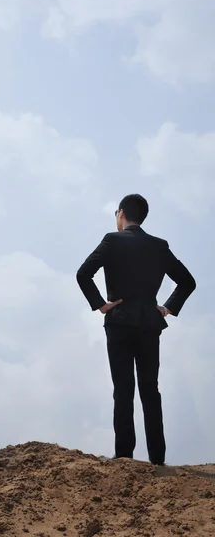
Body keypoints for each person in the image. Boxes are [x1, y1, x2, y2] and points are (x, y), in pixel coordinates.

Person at [76, 194, 196, 466]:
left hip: (118, 322)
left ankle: (124, 457)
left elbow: (83, 274)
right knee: (150, 390)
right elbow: (188, 282)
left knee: (123, 389)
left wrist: (101, 305)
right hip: (149, 324)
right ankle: (157, 458)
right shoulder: (159, 246)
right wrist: (166, 308)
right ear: (142, 217)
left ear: (120, 214)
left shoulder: (111, 241)